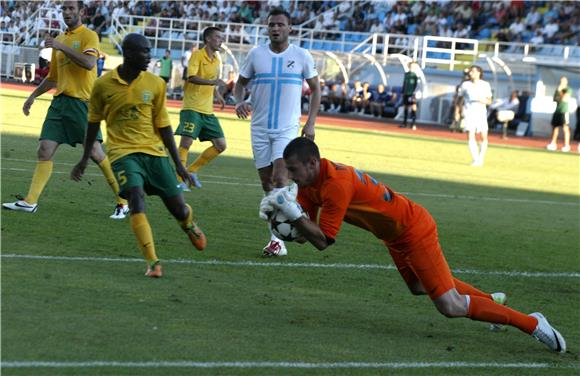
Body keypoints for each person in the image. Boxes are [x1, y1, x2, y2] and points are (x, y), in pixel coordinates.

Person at [265, 137, 566, 353]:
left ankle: (532, 323)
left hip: (413, 228)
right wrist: (279, 222)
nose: (290, 176)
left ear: (313, 162)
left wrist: (290, 213)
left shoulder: (335, 184)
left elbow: (324, 241)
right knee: (420, 286)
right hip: (395, 235)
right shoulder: (309, 185)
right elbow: (306, 234)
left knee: (450, 305)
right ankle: (491, 302)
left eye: (293, 169)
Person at [70, 33, 207, 278]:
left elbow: (164, 127)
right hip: (123, 154)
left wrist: (180, 166)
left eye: (149, 50)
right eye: (144, 51)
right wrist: (83, 158)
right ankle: (153, 262)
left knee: (178, 209)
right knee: (135, 196)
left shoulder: (156, 84)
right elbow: (93, 123)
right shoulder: (102, 85)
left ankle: (187, 223)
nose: (149, 56)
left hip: (154, 153)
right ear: (129, 53)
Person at [2, 0, 128, 219]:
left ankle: (123, 201)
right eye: (64, 9)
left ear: (82, 12)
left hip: (82, 104)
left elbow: (89, 63)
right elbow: (52, 78)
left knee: (97, 154)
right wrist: (32, 96)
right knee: (44, 150)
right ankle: (29, 202)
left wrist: (61, 47)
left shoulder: (89, 36)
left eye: (71, 8)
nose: (67, 12)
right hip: (59, 104)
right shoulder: (59, 39)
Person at [233, 7, 321, 257]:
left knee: (280, 180)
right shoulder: (255, 55)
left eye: (280, 25)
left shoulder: (302, 56)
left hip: (287, 129)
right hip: (259, 128)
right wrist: (238, 101)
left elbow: (316, 89)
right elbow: (239, 85)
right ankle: (290, 214)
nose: (275, 29)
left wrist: (311, 122)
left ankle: (277, 240)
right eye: (271, 25)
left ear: (290, 28)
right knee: (267, 184)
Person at [174, 27, 226, 191]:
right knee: (186, 143)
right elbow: (192, 77)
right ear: (208, 39)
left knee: (220, 145)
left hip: (207, 110)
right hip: (192, 107)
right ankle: (179, 180)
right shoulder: (197, 55)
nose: (221, 41)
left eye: (222, 38)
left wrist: (217, 94)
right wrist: (212, 83)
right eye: (218, 37)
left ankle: (191, 171)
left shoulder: (216, 59)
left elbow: (212, 81)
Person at [457, 65, 492, 167]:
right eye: (470, 72)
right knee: (470, 135)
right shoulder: (465, 85)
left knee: (483, 136)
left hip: (481, 113)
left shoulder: (485, 85)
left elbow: (490, 100)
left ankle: (481, 158)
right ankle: (475, 159)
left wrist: (484, 100)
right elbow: (460, 99)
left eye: (473, 71)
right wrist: (457, 111)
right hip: (469, 112)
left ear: (479, 73)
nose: (471, 73)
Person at [546, 76, 572, 153]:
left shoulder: (568, 89)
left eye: (564, 81)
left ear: (566, 82)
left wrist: (560, 93)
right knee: (555, 128)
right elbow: (555, 99)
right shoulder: (558, 89)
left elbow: (565, 98)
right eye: (561, 81)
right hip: (557, 111)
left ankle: (566, 145)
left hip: (564, 111)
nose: (562, 82)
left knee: (565, 128)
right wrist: (559, 91)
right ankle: (553, 143)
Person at [401, 61, 420, 130]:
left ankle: (413, 124)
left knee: (413, 108)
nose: (413, 68)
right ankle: (404, 123)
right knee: (405, 108)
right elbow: (404, 84)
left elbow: (418, 86)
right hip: (406, 93)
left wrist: (415, 94)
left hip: (412, 94)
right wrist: (402, 92)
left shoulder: (416, 75)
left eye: (414, 66)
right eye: (412, 66)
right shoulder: (406, 74)